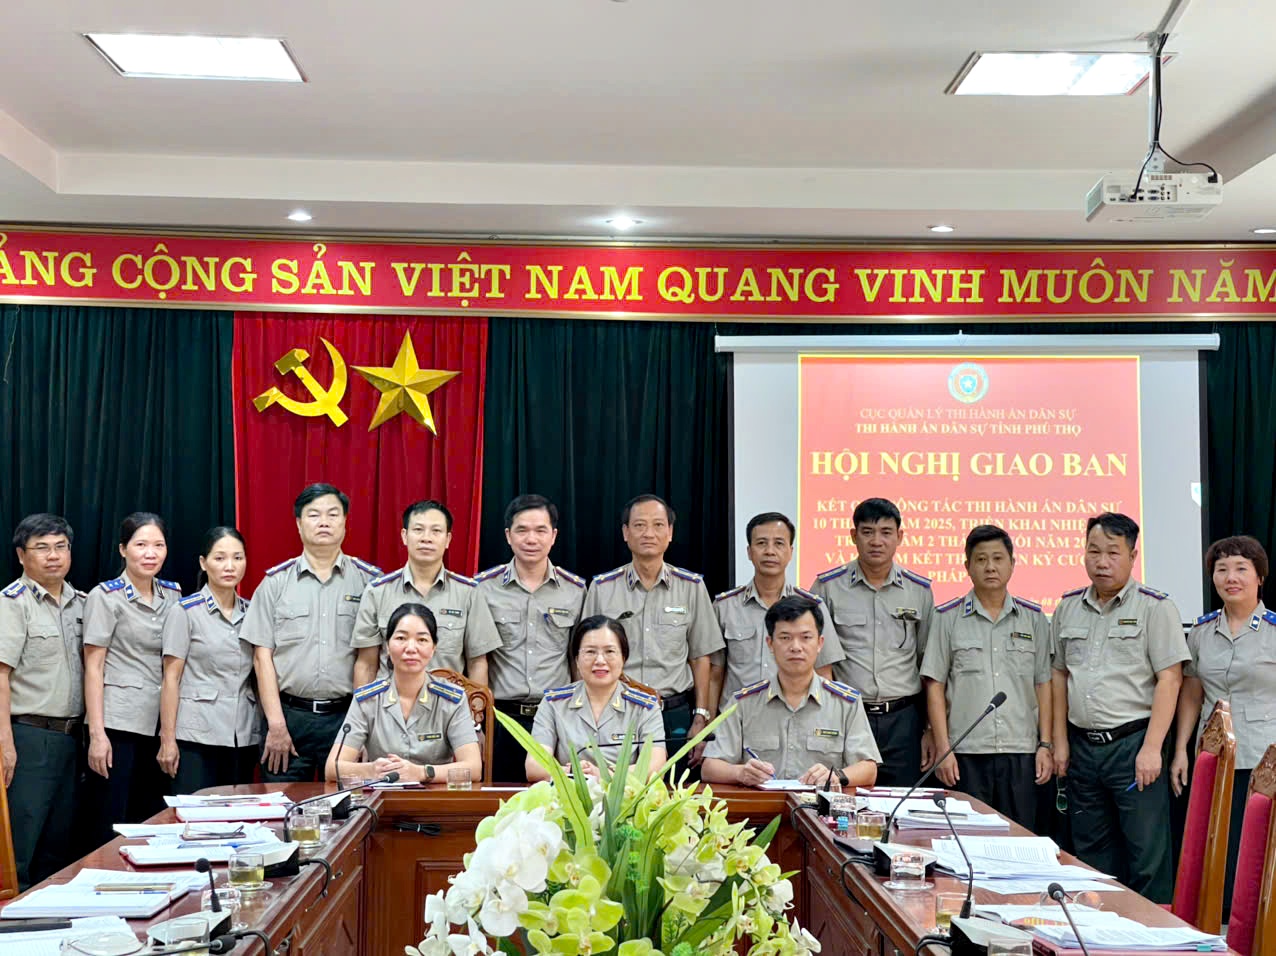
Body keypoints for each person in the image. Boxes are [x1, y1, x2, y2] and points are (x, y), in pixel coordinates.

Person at [1050, 512, 1187, 904]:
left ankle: (1152, 938)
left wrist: (1151, 748)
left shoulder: (1155, 608)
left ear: (1132, 556)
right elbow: (1059, 675)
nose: (1102, 561)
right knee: (1090, 853)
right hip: (1082, 747)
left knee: (1146, 853)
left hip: (1134, 745)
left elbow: (1170, 680)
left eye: (1113, 552)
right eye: (1094, 551)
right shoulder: (1068, 608)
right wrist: (1060, 742)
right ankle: (1098, 933)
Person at [242, 483, 381, 782]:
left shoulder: (369, 583)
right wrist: (276, 724)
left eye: (333, 514)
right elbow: (261, 659)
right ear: (298, 523)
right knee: (282, 814)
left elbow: (370, 660)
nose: (324, 522)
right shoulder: (275, 584)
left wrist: (364, 726)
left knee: (350, 813)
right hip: (290, 718)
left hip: (347, 717)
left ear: (345, 522)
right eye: (314, 514)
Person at [920, 525, 1053, 829]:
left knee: (1019, 838)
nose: (990, 567)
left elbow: (1044, 684)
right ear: (967, 566)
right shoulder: (947, 618)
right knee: (967, 838)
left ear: (1012, 564)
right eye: (981, 560)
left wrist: (1045, 744)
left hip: (1021, 752)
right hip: (966, 752)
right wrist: (944, 748)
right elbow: (935, 686)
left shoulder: (1034, 619)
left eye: (997, 558)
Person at [1172, 535, 1275, 918]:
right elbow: (1191, 694)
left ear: (1259, 577)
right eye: (1222, 569)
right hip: (1215, 758)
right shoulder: (1200, 633)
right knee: (1218, 848)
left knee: (1260, 854)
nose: (1231, 577)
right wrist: (1182, 748)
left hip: (1266, 760)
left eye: (1241, 569)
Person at [581, 494, 724, 768]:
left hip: (674, 713)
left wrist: (701, 717)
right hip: (616, 711)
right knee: (614, 793)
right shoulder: (602, 588)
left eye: (658, 525)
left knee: (675, 797)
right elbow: (584, 656)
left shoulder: (691, 587)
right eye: (639, 525)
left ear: (670, 533)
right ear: (625, 532)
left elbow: (702, 657)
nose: (649, 533)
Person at [808, 497, 935, 787]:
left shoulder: (919, 591)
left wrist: (928, 728)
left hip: (904, 720)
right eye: (867, 532)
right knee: (846, 803)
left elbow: (928, 665)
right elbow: (820, 665)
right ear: (853, 536)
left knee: (902, 806)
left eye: (886, 532)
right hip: (850, 716)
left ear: (900, 537)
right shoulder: (828, 587)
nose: (876, 541)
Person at [703, 595, 880, 788]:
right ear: (770, 643)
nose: (796, 647)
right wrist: (740, 772)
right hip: (761, 811)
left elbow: (869, 769)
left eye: (806, 638)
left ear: (820, 643)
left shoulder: (846, 703)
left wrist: (836, 776)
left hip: (820, 813)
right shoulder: (743, 702)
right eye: (785, 638)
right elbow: (709, 767)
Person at [82, 512, 182, 842]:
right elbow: (93, 668)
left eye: (158, 545)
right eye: (141, 545)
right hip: (118, 724)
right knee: (111, 820)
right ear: (123, 549)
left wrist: (169, 734)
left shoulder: (173, 595)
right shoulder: (104, 597)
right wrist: (97, 735)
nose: (150, 553)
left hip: (161, 725)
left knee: (150, 821)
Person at [0, 513, 85, 889]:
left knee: (60, 847)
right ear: (21, 555)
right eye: (42, 548)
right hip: (29, 737)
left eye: (60, 547)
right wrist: (5, 743)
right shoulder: (12, 603)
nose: (53, 556)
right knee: (23, 844)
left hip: (72, 739)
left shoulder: (82, 603)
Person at [477, 494, 586, 782]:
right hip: (502, 718)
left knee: (557, 805)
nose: (531, 539)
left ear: (554, 536)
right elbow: (477, 659)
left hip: (557, 717)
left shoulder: (575, 591)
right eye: (522, 530)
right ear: (508, 536)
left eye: (540, 530)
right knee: (501, 805)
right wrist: (479, 722)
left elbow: (578, 660)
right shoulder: (483, 589)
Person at [325, 603, 481, 784]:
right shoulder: (367, 699)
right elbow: (332, 767)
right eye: (401, 638)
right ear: (388, 647)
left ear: (433, 648)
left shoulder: (452, 699)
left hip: (436, 801)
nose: (411, 648)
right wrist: (371, 769)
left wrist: (422, 772)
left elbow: (474, 768)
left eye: (422, 640)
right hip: (380, 802)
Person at [352, 500, 500, 687]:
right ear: (405, 536)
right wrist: (362, 713)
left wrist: (476, 714)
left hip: (448, 709)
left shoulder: (468, 593)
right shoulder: (378, 592)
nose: (426, 538)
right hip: (389, 709)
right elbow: (366, 664)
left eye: (436, 531)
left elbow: (477, 663)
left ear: (447, 540)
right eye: (418, 530)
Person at [157, 527, 259, 794]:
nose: (230, 566)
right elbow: (171, 678)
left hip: (242, 733)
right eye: (220, 558)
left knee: (237, 815)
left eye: (238, 558)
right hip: (196, 735)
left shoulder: (253, 612)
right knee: (196, 819)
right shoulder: (185, 611)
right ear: (204, 563)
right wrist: (167, 739)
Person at [714, 511, 843, 708]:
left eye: (779, 544)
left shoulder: (812, 607)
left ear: (791, 551)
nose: (770, 551)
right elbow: (715, 674)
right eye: (761, 543)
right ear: (749, 551)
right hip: (737, 721)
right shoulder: (725, 607)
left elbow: (824, 673)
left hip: (795, 717)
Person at [528, 615, 667, 781]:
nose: (600, 660)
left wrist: (601, 774)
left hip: (626, 802)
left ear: (623, 658)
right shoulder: (554, 703)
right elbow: (534, 766)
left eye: (609, 652)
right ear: (577, 659)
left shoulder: (645, 707)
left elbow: (656, 767)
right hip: (568, 800)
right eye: (590, 652)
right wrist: (573, 772)